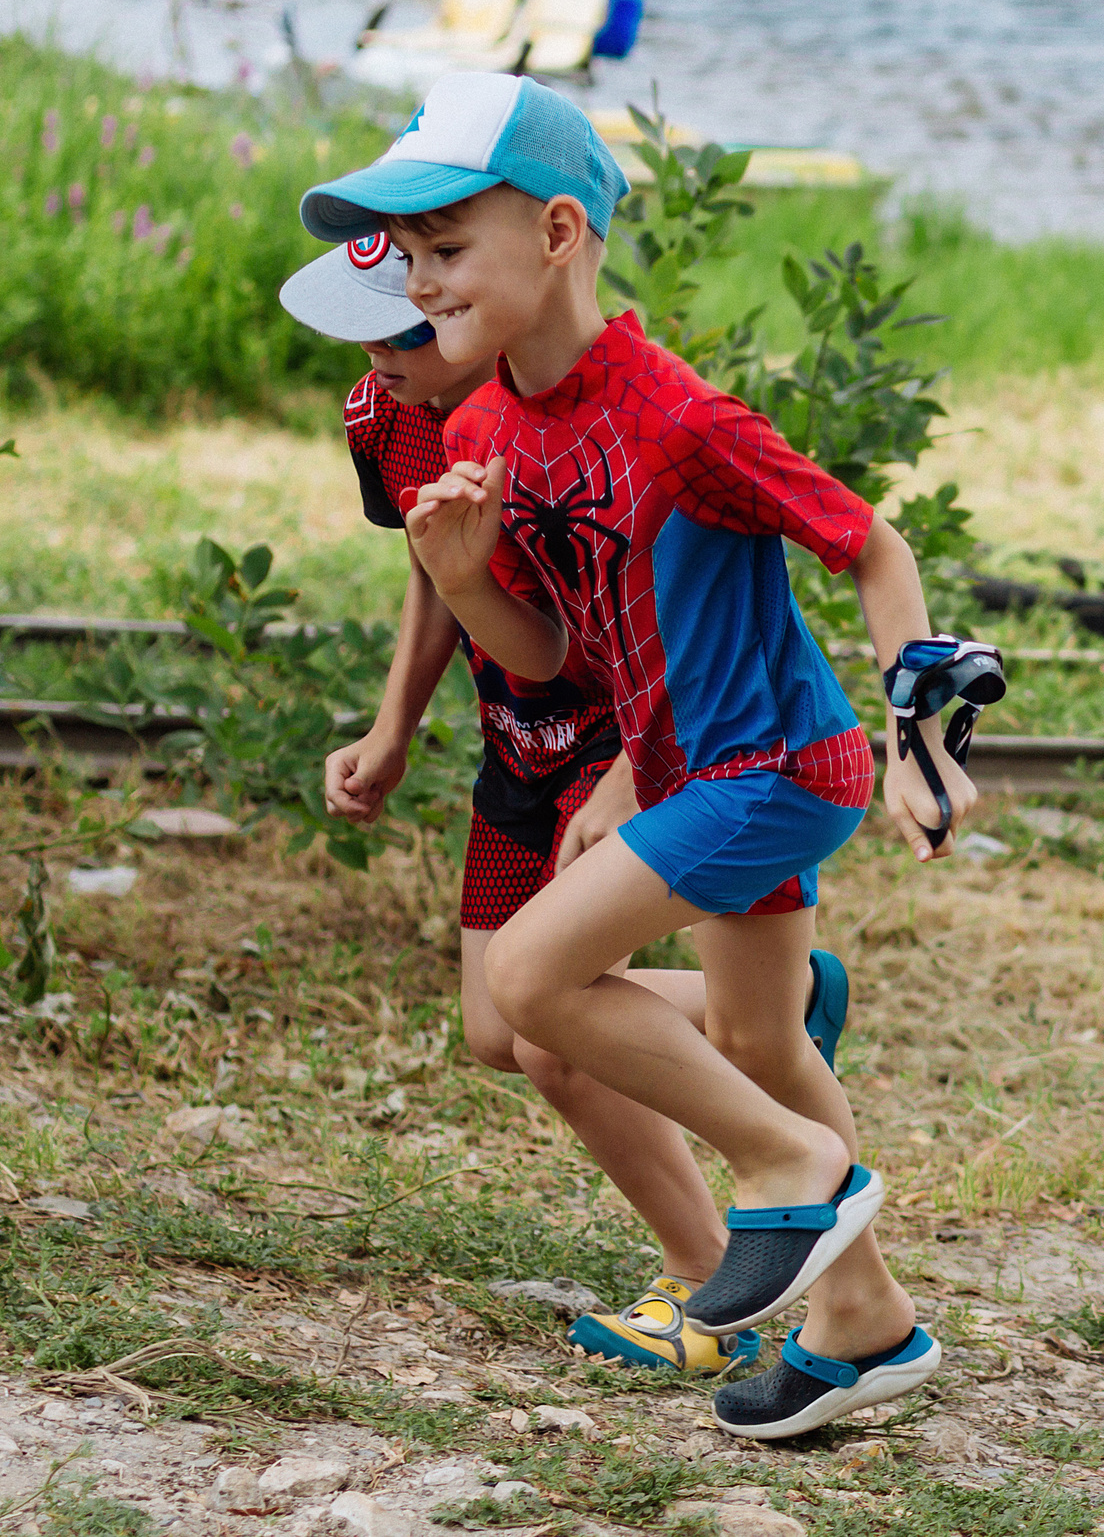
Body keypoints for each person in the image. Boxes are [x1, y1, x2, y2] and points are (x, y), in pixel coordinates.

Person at [299, 71, 971, 1437]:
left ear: (557, 234)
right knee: (755, 1035)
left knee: (538, 973)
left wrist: (918, 729)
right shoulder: (488, 428)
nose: (418, 286)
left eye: (446, 251)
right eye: (411, 258)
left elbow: (871, 544)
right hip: (685, 776)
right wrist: (464, 575)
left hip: (772, 767)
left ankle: (794, 1169)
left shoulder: (679, 418)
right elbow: (549, 655)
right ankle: (869, 1324)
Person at [283, 231, 855, 1378]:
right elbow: (432, 563)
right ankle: (764, 1005)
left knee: (550, 1029)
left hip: (615, 737)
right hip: (518, 741)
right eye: (370, 325)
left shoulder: (573, 414)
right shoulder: (388, 412)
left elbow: (667, 627)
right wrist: (395, 724)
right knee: (501, 1031)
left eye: (405, 325)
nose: (383, 351)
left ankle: (709, 1281)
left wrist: (631, 776)